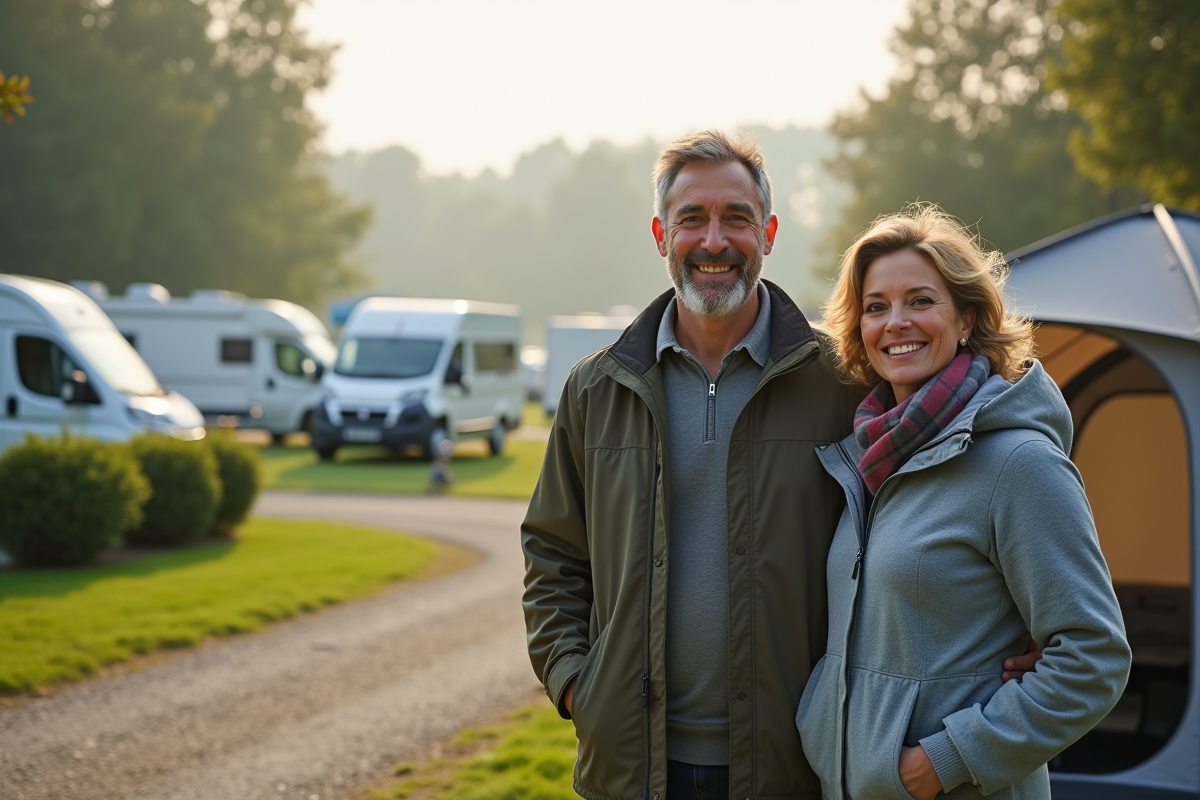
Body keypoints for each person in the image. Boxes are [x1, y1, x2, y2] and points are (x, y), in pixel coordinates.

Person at [521, 132, 1041, 800]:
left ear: (767, 232)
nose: (714, 240)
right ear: (660, 235)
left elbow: (951, 492)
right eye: (692, 219)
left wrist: (1017, 617)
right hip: (629, 767)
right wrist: (574, 682)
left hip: (793, 764)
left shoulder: (846, 383)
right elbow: (552, 551)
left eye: (736, 218)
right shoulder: (595, 390)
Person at [796, 204, 1131, 800]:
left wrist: (943, 761)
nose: (895, 322)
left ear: (967, 317)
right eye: (876, 307)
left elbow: (1093, 658)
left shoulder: (1019, 464)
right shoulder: (868, 458)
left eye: (921, 301)